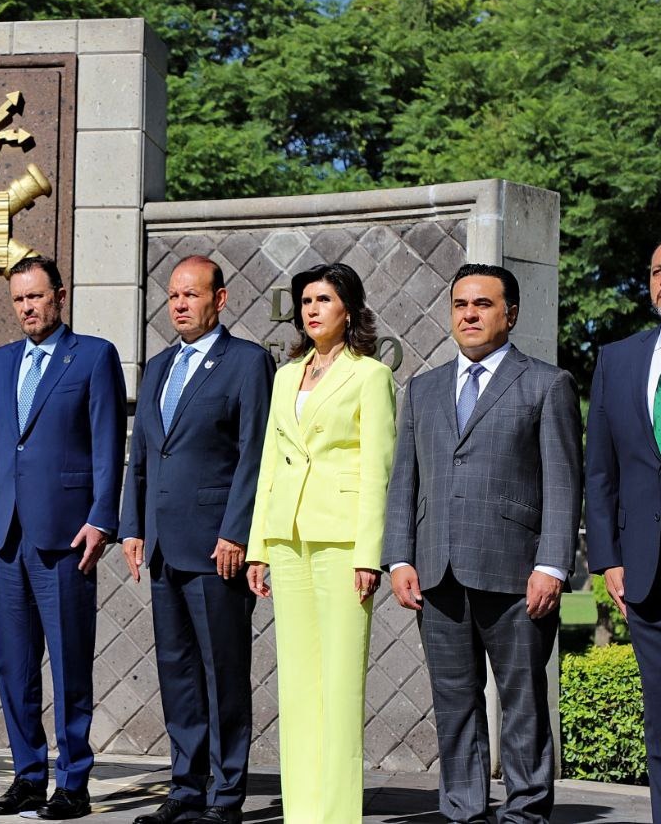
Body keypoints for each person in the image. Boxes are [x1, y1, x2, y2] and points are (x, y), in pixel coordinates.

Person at [383, 263, 581, 824]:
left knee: (522, 703)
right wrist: (400, 556)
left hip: (518, 573)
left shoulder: (547, 383)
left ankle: (525, 811)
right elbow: (405, 481)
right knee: (455, 702)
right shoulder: (422, 388)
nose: (469, 314)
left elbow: (563, 481)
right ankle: (463, 809)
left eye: (483, 304)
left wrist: (552, 565)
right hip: (438, 572)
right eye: (461, 305)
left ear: (510, 313)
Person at [119, 256, 274, 824]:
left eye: (191, 294)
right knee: (178, 672)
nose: (180, 304)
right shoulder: (158, 366)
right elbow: (142, 454)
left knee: (223, 672)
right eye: (173, 295)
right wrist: (132, 525)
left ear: (221, 299)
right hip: (162, 546)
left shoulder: (247, 362)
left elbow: (255, 454)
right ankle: (185, 788)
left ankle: (226, 796)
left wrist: (237, 530)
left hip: (216, 548)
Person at [0, 256, 126, 820]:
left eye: (36, 297)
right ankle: (27, 775)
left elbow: (109, 444)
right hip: (8, 535)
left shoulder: (92, 356)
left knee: (68, 663)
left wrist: (102, 518)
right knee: (14, 667)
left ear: (59, 297)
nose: (27, 308)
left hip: (67, 536)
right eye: (18, 300)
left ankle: (73, 783)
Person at [245, 262, 396, 823]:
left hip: (340, 540)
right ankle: (301, 812)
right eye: (305, 300)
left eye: (323, 299)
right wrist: (260, 543)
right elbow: (268, 467)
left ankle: (336, 814)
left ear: (348, 309)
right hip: (287, 539)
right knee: (298, 685)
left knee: (338, 684)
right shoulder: (286, 376)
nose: (311, 309)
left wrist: (368, 553)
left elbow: (379, 469)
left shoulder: (371, 375)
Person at [586, 232, 661, 824]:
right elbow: (600, 470)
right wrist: (610, 559)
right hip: (647, 576)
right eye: (656, 270)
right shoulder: (617, 359)